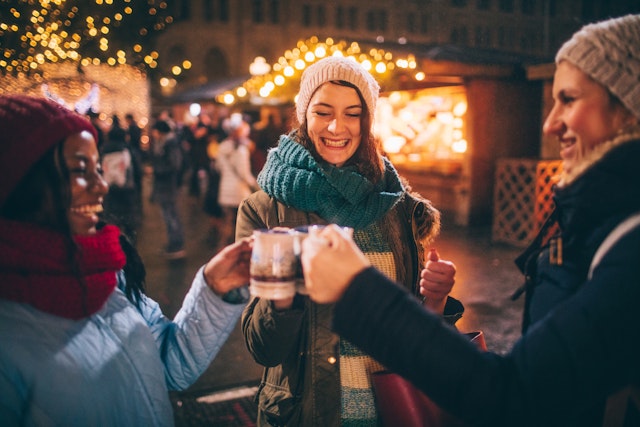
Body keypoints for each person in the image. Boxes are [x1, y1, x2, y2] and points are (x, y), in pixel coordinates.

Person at [300, 14, 640, 427]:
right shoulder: (594, 217)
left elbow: (514, 395)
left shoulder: (628, 243)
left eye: (568, 99)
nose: (550, 123)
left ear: (628, 107)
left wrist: (359, 289)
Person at [0, 94, 253, 426]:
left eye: (97, 168)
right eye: (79, 170)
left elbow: (171, 365)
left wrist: (213, 290)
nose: (101, 185)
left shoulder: (109, 272)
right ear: (19, 182)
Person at [236, 56, 463, 426]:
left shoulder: (395, 204)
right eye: (323, 111)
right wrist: (282, 298)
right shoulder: (265, 210)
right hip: (308, 414)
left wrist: (434, 301)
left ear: (368, 121)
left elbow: (413, 329)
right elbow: (263, 348)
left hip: (393, 410)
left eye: (353, 114)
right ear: (304, 115)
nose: (336, 126)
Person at [218, 112, 258, 250]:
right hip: (239, 191)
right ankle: (242, 249)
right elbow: (244, 174)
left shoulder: (222, 146)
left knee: (228, 221)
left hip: (225, 190)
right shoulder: (241, 150)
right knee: (244, 223)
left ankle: (222, 247)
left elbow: (218, 167)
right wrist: (255, 184)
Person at [150, 119, 187, 259]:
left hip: (169, 185)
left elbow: (174, 165)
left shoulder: (170, 144)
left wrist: (157, 170)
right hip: (165, 185)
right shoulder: (164, 143)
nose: (153, 134)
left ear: (160, 131)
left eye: (155, 131)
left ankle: (177, 245)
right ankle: (173, 243)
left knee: (171, 215)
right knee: (168, 215)